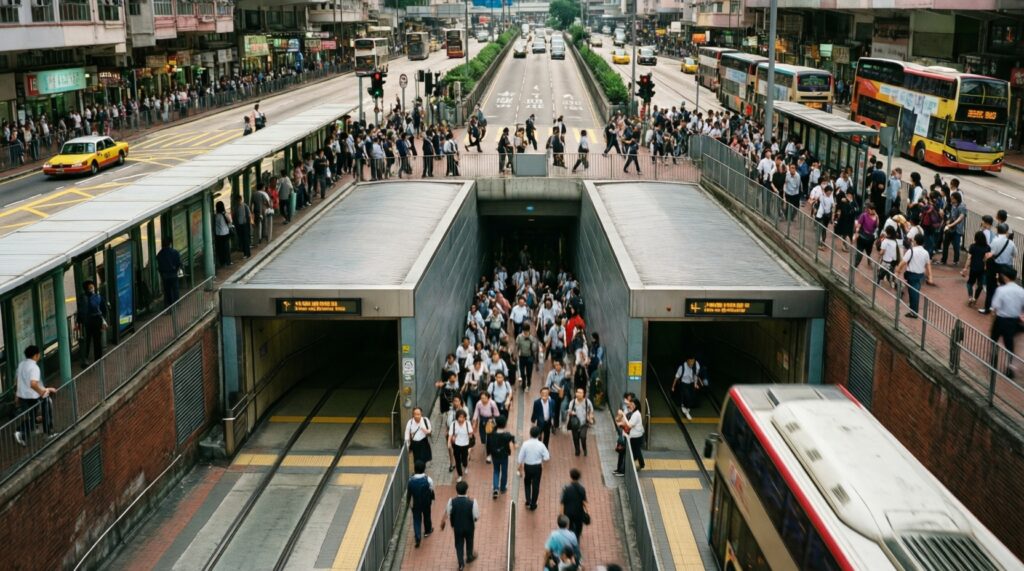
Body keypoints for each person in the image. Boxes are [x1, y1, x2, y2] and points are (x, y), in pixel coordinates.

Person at [14, 345, 56, 447]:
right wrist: (44, 391)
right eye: (39, 354)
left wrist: (17, 396)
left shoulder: (22, 364)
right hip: (32, 397)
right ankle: (47, 433)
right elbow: (33, 384)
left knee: (32, 418)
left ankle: (21, 432)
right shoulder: (34, 367)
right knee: (46, 405)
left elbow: (17, 381)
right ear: (36, 355)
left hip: (22, 397)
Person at [990, 267, 1024, 377]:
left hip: (1001, 319)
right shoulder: (1021, 290)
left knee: (994, 339)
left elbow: (995, 307)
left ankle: (993, 360)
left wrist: (992, 319)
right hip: (1014, 321)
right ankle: (1009, 367)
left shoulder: (1001, 290)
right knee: (1010, 345)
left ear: (1004, 276)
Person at [440, 480, 479, 571]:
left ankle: (461, 564)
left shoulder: (451, 501)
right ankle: (469, 556)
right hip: (469, 528)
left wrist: (445, 521)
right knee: (470, 542)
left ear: (456, 490)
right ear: (466, 490)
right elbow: (476, 516)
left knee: (458, 544)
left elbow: (448, 513)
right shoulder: (472, 502)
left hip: (457, 528)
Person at [981, 223, 1018, 315]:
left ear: (998, 231)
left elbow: (991, 253)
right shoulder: (1011, 242)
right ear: (1006, 232)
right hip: (1006, 268)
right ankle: (1004, 309)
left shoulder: (995, 241)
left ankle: (987, 308)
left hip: (994, 266)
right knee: (1005, 288)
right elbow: (1015, 254)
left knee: (990, 288)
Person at [896, 233, 934, 319]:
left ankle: (914, 312)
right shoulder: (926, 253)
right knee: (915, 291)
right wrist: (930, 277)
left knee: (913, 293)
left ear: (915, 241)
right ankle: (913, 310)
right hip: (920, 275)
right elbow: (928, 265)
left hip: (911, 275)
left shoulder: (911, 251)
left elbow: (903, 262)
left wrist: (897, 271)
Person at [518, 425, 550, 511]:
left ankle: (528, 500)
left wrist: (520, 465)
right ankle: (533, 503)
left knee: (527, 482)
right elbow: (547, 457)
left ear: (530, 434)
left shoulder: (525, 444)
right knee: (536, 485)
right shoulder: (541, 445)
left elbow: (520, 457)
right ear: (539, 435)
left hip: (528, 466)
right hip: (537, 467)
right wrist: (541, 459)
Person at [76, 280, 108, 366]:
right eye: (90, 287)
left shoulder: (83, 298)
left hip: (90, 322)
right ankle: (97, 359)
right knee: (95, 340)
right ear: (87, 289)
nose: (92, 289)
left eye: (92, 287)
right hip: (93, 321)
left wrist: (79, 322)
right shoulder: (96, 297)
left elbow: (80, 311)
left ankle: (88, 359)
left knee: (89, 341)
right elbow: (102, 309)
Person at [406, 460, 435, 548]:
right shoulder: (428, 479)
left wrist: (408, 503)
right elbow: (431, 489)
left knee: (416, 520)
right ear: (424, 469)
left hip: (416, 504)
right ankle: (427, 531)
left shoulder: (411, 481)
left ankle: (418, 537)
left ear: (415, 469)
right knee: (427, 516)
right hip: (426, 502)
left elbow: (409, 494)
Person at [613, 398, 645, 476]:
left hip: (635, 437)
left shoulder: (636, 414)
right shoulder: (631, 412)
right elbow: (619, 421)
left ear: (636, 406)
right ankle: (640, 464)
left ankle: (623, 470)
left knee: (629, 454)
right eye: (630, 404)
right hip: (631, 436)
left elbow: (629, 425)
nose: (631, 406)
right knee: (635, 452)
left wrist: (623, 415)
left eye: (632, 405)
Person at [487, 415, 515, 499]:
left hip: (494, 455)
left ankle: (495, 488)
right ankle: (503, 488)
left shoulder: (491, 434)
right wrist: (514, 443)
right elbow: (512, 437)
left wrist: (488, 454)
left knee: (496, 471)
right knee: (504, 471)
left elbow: (488, 445)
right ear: (505, 424)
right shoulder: (506, 435)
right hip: (504, 456)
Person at [961, 231, 990, 307]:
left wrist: (965, 268)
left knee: (970, 283)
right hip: (982, 269)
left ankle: (970, 297)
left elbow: (969, 258)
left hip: (974, 268)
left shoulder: (972, 246)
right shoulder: (987, 247)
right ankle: (975, 298)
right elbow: (986, 259)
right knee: (980, 285)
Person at [560, 469, 589, 541]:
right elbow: (584, 502)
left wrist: (561, 514)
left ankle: (570, 539)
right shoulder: (582, 489)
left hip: (568, 512)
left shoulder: (566, 489)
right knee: (579, 527)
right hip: (579, 511)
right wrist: (587, 512)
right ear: (579, 477)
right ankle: (577, 539)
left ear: (571, 476)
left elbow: (562, 502)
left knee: (570, 526)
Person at [472, 391, 499, 463]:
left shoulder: (492, 404)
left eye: (484, 398)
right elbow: (476, 413)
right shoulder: (479, 403)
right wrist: (474, 423)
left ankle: (489, 455)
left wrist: (495, 423)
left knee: (490, 439)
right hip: (483, 420)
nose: (482, 400)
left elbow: (496, 414)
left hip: (491, 421)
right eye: (481, 398)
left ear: (488, 398)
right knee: (483, 438)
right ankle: (487, 444)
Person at [566, 388, 594, 457]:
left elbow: (591, 410)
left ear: (583, 394)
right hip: (575, 424)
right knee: (575, 438)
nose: (578, 394)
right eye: (577, 392)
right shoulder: (572, 402)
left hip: (584, 424)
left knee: (583, 437)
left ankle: (584, 449)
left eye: (580, 392)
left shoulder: (587, 402)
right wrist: (571, 413)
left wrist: (590, 417)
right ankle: (577, 450)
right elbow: (569, 411)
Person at [448, 409, 473, 482]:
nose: (461, 419)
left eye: (463, 417)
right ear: (457, 417)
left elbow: (471, 434)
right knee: (457, 460)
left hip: (465, 444)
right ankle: (460, 475)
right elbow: (450, 435)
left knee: (464, 459)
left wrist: (470, 434)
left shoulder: (468, 423)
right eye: (459, 417)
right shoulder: (454, 424)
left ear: (465, 417)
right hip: (456, 445)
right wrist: (449, 442)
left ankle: (465, 466)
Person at [156, 238, 183, 307]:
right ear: (170, 244)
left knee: (167, 290)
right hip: (173, 274)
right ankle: (176, 304)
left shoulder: (159, 254)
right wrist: (176, 269)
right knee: (175, 289)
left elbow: (159, 266)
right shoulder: (174, 252)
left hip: (165, 275)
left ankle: (169, 305)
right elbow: (179, 263)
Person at [516, 323, 537, 390]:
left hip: (529, 357)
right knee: (522, 372)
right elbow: (517, 347)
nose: (525, 333)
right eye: (524, 331)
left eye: (527, 331)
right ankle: (523, 384)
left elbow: (534, 349)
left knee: (529, 372)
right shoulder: (519, 337)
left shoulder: (531, 338)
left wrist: (531, 342)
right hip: (522, 356)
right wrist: (515, 355)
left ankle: (529, 383)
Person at [214, 200, 232, 267]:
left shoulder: (216, 216)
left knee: (220, 249)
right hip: (225, 233)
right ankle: (228, 261)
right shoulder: (225, 214)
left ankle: (222, 262)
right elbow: (230, 221)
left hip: (218, 234)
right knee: (226, 248)